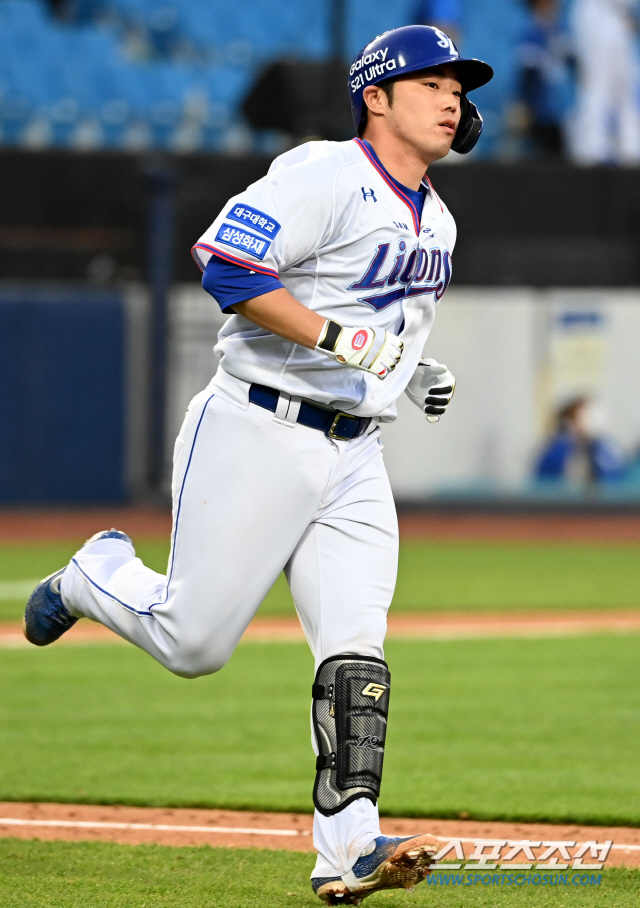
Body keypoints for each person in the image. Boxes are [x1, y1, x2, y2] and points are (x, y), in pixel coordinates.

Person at [23, 26, 492, 905]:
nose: (451, 95)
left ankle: (351, 849)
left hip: (356, 456)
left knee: (356, 651)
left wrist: (411, 368)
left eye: (459, 84)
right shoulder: (324, 172)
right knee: (194, 643)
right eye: (428, 80)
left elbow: (373, 324)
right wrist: (342, 340)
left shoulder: (439, 216)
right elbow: (227, 264)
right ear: (376, 97)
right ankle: (98, 574)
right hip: (256, 429)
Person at [568, 0, 640, 164]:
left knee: (626, 85)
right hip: (597, 11)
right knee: (597, 83)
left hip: (620, 15)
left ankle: (630, 146)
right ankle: (590, 146)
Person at [517, 0, 574, 157]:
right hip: (539, 110)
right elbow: (526, 67)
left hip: (563, 111)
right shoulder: (529, 30)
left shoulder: (560, 30)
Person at [536, 396, 626, 485]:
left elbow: (615, 477)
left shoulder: (603, 448)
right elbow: (546, 480)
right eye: (586, 415)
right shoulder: (558, 449)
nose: (593, 420)